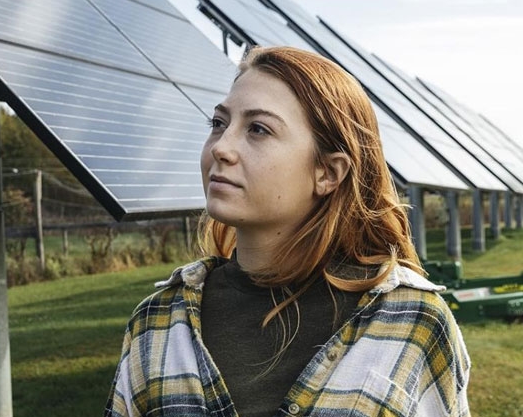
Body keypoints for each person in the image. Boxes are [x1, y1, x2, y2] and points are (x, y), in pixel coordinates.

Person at [104, 46, 470, 417]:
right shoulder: (158, 320)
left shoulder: (414, 321)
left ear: (327, 173)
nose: (222, 148)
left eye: (258, 129)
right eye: (218, 124)